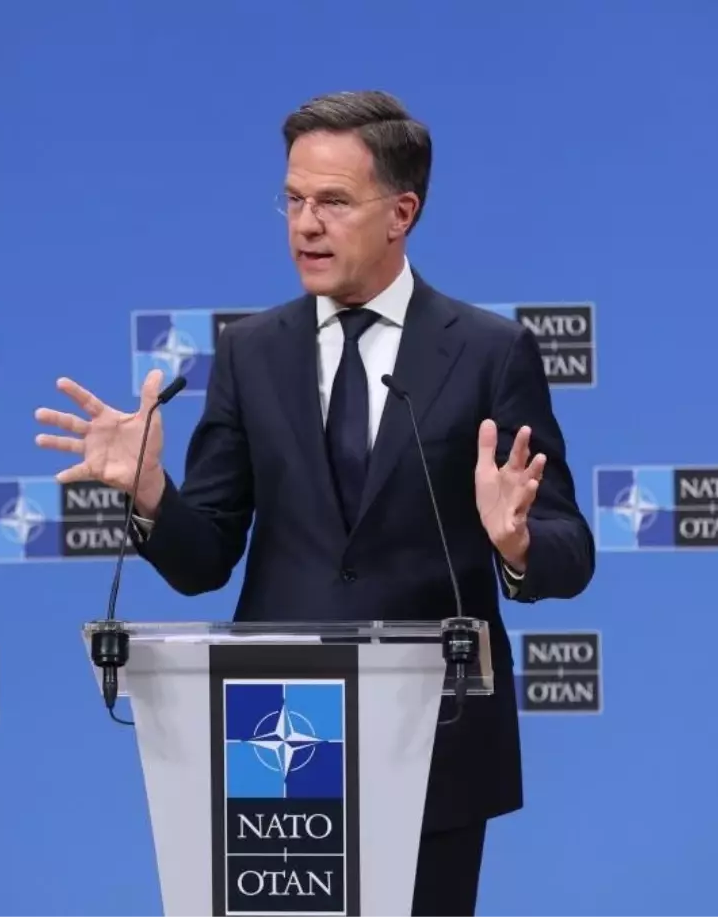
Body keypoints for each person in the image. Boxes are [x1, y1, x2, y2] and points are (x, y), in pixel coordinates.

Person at [34, 89, 595, 916]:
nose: (305, 224)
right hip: (279, 730)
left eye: (333, 201)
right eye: (293, 200)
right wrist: (152, 493)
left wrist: (515, 543)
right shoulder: (250, 351)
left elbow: (569, 547)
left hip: (433, 734)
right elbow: (205, 559)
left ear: (401, 212)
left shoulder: (489, 352)